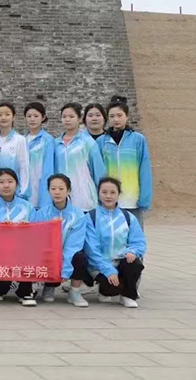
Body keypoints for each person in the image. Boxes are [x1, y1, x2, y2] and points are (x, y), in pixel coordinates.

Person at [32, 173, 95, 307]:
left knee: (80, 258)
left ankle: (74, 292)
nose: (57, 192)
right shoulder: (42, 213)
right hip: (49, 254)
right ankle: (49, 286)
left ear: (68, 190)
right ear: (48, 190)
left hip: (69, 255)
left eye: (61, 188)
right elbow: (37, 239)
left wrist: (66, 270)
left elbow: (74, 245)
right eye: (53, 188)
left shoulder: (78, 215)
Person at [0, 168, 37, 306]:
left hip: (22, 251)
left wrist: (27, 228)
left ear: (16, 184)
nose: (6, 186)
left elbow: (37, 232)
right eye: (1, 182)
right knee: (0, 290)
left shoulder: (27, 207)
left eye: (10, 181)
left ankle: (25, 291)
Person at [87, 177, 147, 308]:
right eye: (104, 192)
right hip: (99, 265)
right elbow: (91, 249)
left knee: (134, 263)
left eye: (113, 192)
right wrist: (108, 270)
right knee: (111, 289)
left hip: (121, 262)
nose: (108, 196)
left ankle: (127, 295)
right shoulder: (91, 217)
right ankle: (105, 289)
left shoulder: (128, 217)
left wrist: (132, 251)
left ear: (119, 194)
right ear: (98, 193)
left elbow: (139, 242)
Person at [97, 96, 153, 225]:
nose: (116, 119)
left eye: (119, 115)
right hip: (109, 198)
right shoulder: (101, 141)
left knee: (134, 233)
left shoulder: (138, 140)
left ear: (127, 117)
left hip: (131, 198)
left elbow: (144, 168)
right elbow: (98, 172)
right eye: (112, 116)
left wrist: (144, 197)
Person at [55, 103, 106, 212]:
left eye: (71, 116)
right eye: (64, 117)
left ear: (79, 118)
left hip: (84, 197)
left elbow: (99, 172)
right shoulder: (55, 144)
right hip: (62, 197)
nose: (67, 119)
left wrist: (103, 194)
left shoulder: (88, 142)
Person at [0, 102, 31, 201]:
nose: (3, 117)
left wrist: (22, 191)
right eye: (0, 115)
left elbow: (24, 167)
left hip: (15, 191)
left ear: (13, 117)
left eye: (7, 114)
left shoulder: (19, 140)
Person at [24, 102, 54, 209]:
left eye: (36, 116)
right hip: (24, 188)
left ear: (43, 117)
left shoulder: (48, 140)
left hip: (41, 187)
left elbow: (49, 169)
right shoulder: (21, 140)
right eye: (29, 116)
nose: (32, 119)